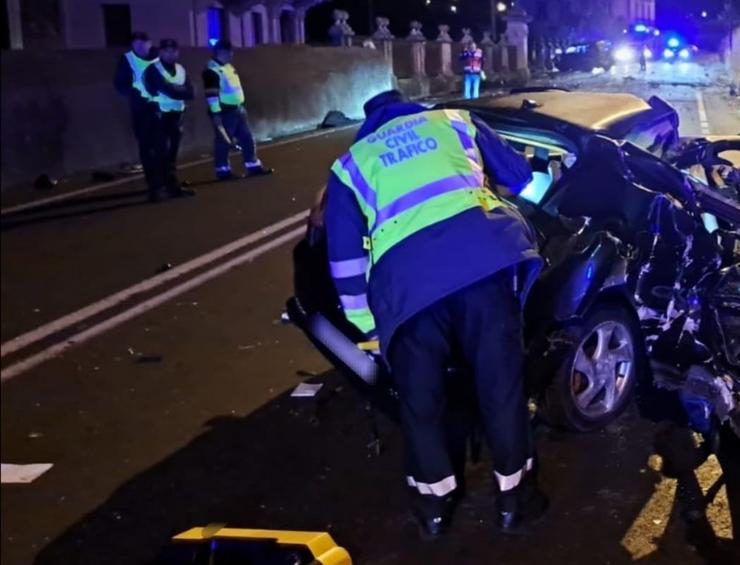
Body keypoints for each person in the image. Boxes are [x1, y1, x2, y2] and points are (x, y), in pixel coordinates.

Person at [324, 90, 548, 539]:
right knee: (501, 389)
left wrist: (368, 328)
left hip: (406, 293)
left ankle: (433, 511)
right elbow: (521, 179)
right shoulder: (453, 121)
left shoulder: (349, 166)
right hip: (482, 267)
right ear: (410, 107)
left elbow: (345, 262)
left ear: (369, 126)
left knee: (420, 404)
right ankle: (512, 503)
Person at [202, 40, 272, 180]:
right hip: (224, 111)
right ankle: (223, 170)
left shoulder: (228, 67)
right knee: (223, 142)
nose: (231, 54)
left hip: (237, 109)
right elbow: (211, 95)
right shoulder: (212, 70)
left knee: (247, 138)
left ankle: (253, 165)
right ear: (221, 52)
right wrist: (216, 114)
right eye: (229, 51)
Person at [113, 32, 163, 202]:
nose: (141, 48)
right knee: (147, 149)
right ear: (133, 45)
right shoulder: (127, 60)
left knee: (163, 148)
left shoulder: (159, 58)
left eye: (144, 44)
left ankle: (166, 181)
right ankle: (154, 185)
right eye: (137, 45)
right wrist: (134, 94)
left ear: (150, 44)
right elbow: (120, 84)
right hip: (141, 110)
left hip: (162, 109)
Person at [144, 38, 195, 200]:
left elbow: (191, 92)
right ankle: (157, 189)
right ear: (160, 52)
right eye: (166, 51)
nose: (170, 54)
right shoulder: (154, 69)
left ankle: (171, 186)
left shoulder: (180, 69)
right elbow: (168, 90)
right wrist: (180, 90)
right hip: (159, 116)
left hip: (176, 116)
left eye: (173, 51)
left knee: (171, 154)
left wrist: (176, 90)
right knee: (160, 154)